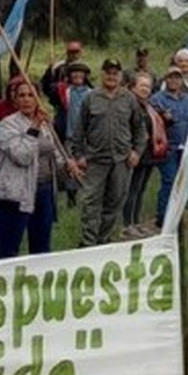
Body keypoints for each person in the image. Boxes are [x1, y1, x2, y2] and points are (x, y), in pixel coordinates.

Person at [0, 82, 80, 258]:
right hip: (16, 193)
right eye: (22, 95)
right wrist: (34, 127)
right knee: (10, 246)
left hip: (44, 190)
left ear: (38, 99)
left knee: (41, 247)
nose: (26, 100)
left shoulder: (45, 123)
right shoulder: (7, 125)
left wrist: (67, 163)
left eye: (31, 95)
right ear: (15, 100)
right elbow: (22, 156)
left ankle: (36, 281)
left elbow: (52, 150)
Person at [71, 58, 147, 246]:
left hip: (121, 160)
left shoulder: (129, 98)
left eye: (115, 73)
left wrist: (137, 152)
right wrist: (79, 155)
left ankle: (102, 239)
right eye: (108, 72)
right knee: (90, 203)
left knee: (115, 202)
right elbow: (79, 129)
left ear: (120, 76)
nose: (111, 76)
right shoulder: (91, 98)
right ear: (102, 74)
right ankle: (88, 242)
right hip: (95, 160)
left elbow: (139, 129)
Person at [121, 73, 166, 236]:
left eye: (148, 86)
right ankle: (127, 224)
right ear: (133, 87)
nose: (145, 89)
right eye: (142, 86)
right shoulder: (130, 105)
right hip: (136, 153)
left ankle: (137, 221)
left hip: (149, 154)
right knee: (132, 189)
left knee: (141, 189)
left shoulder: (148, 106)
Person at [151, 67, 188, 219]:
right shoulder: (157, 99)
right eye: (170, 77)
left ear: (182, 80)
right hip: (168, 147)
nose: (174, 80)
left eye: (177, 77)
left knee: (182, 182)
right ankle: (162, 216)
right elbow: (153, 123)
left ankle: (177, 213)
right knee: (169, 180)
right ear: (165, 79)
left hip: (185, 148)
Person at [41, 39, 84, 139]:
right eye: (71, 52)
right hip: (62, 109)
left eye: (76, 52)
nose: (73, 55)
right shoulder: (58, 67)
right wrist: (49, 70)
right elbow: (46, 87)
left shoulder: (84, 68)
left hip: (79, 110)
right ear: (66, 52)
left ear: (81, 52)